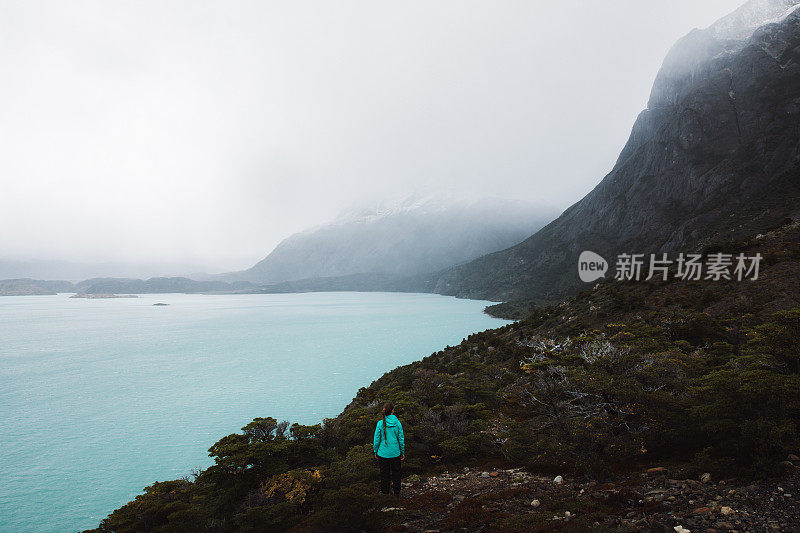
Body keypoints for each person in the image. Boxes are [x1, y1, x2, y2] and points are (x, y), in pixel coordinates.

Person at [373, 401, 405, 497]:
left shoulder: (380, 423)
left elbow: (376, 439)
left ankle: (385, 493)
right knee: (396, 474)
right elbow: (401, 439)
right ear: (392, 411)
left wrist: (376, 451)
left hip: (383, 453)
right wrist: (402, 452)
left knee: (384, 474)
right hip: (395, 453)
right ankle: (397, 493)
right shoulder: (397, 423)